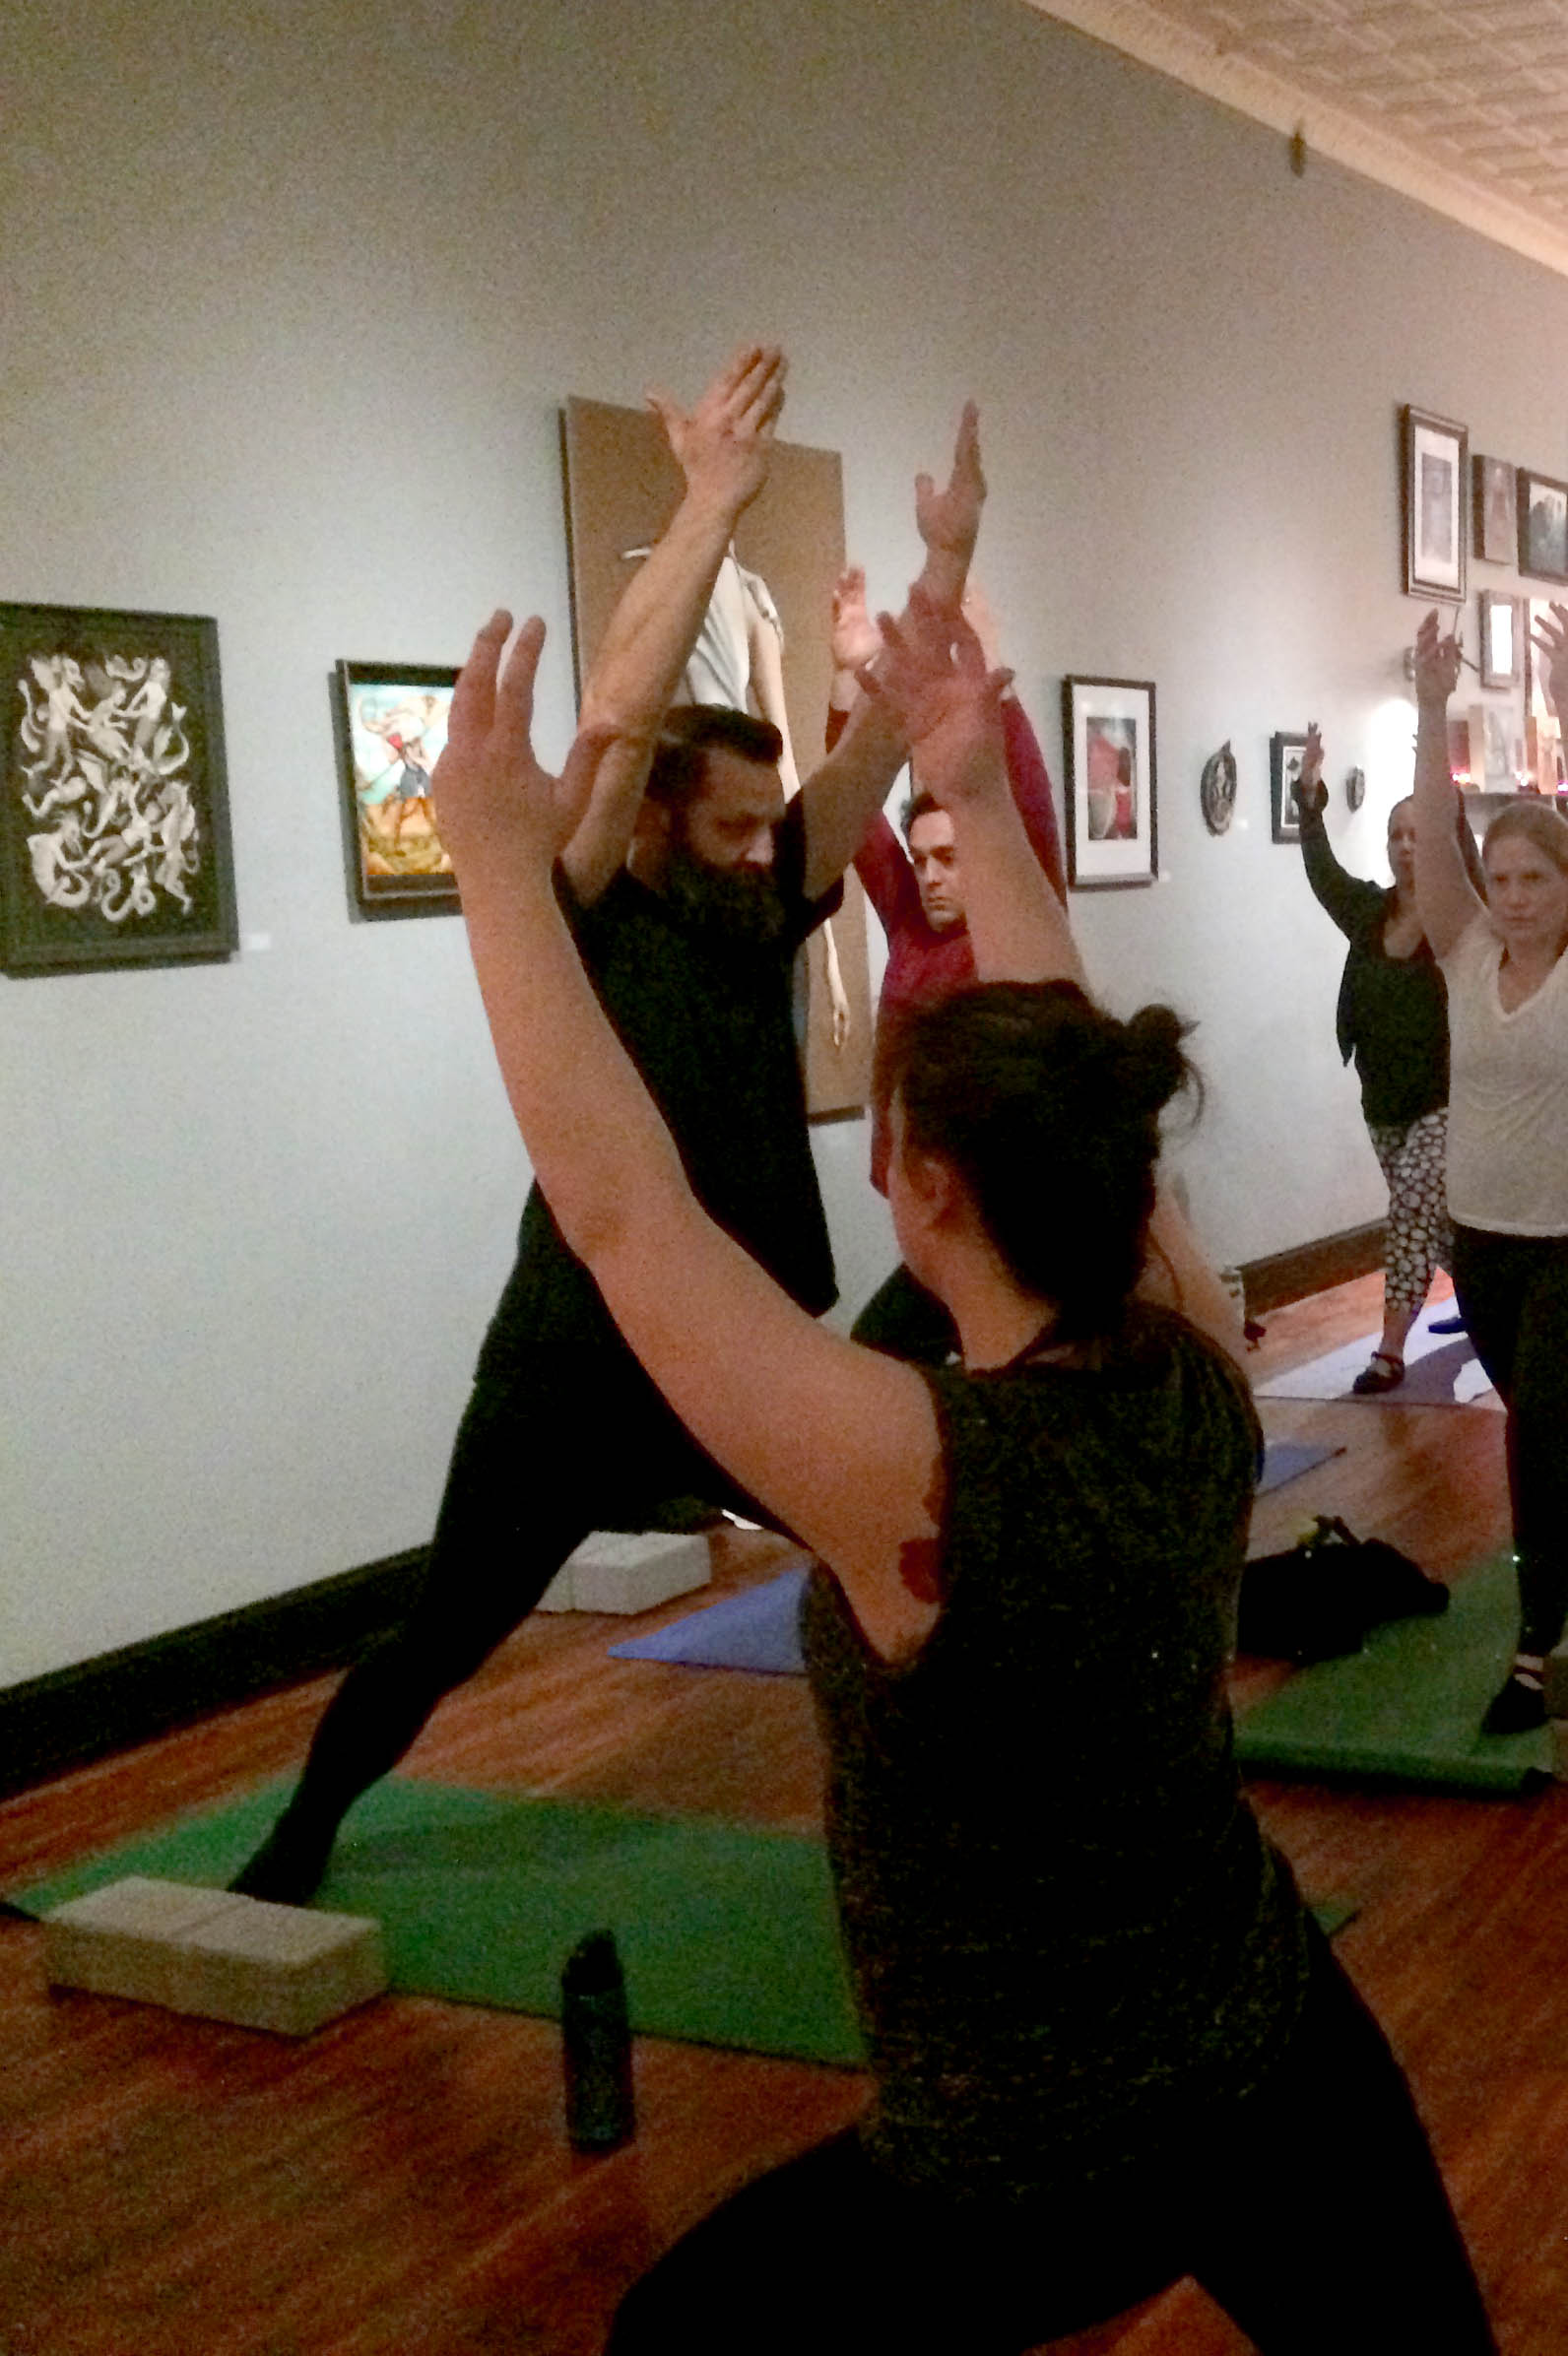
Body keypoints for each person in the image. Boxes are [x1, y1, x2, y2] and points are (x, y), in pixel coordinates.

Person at [415, 590, 1493, 2349]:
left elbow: (619, 1210)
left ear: (917, 1190)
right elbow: (1081, 1066)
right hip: (1266, 2036)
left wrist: (489, 869)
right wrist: (974, 800)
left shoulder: (906, 1470)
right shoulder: (1205, 1368)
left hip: (1017, 2161)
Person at [230, 352, 961, 1906]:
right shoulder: (582, 904)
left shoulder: (766, 894)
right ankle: (296, 1840)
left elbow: (878, 756)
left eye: (770, 825)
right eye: (731, 822)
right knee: (448, 1621)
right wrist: (708, 506)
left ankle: (945, 1846)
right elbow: (620, 708)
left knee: (882, 1557)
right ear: (648, 823)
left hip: (734, 1326)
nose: (766, 847)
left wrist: (946, 573)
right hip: (572, 1346)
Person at [1409, 604, 1568, 1736]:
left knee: (1530, 1419)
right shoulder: (1462, 953)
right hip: (1484, 1238)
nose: (1510, 894)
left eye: (1531, 878)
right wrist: (1425, 707)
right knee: (1540, 1415)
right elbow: (1430, 839)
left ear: (1566, 886)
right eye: (1499, 878)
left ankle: (1538, 1643)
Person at [830, 557, 1070, 1367]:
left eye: (949, 856)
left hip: (1006, 1223)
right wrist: (848, 676)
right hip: (934, 1216)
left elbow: (1026, 805)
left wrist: (986, 679)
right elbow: (851, 820)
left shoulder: (1013, 923)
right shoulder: (910, 927)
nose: (931, 874)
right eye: (922, 858)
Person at [1289, 725, 1457, 1392]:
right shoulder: (1367, 910)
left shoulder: (1458, 917)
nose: (1408, 847)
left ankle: (1389, 1349)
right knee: (1435, 1222)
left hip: (1446, 1099)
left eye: (1419, 835)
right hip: (1383, 1098)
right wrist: (1309, 800)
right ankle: (1491, 1300)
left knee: (1415, 1202)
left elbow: (1464, 854)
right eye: (1398, 836)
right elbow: (1321, 871)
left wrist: (1437, 777)